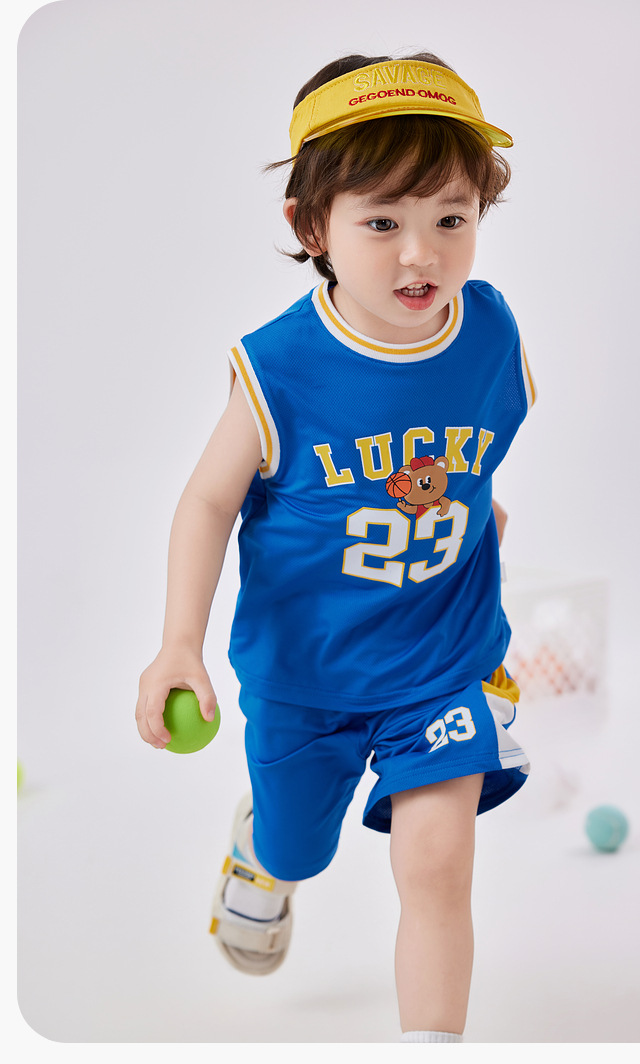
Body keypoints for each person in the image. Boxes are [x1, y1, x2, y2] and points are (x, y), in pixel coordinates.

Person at [136, 51, 537, 1043]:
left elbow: (472, 458)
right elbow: (206, 503)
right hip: (307, 674)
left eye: (452, 219)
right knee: (297, 847)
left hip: (439, 663)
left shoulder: (491, 334)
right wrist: (179, 642)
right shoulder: (280, 369)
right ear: (312, 227)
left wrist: (480, 536)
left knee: (437, 860)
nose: (421, 254)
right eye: (382, 222)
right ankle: (261, 849)